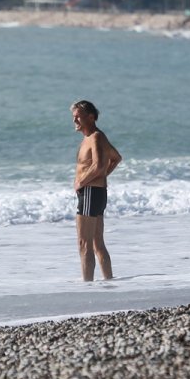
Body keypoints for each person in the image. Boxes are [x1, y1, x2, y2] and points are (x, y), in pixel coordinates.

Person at [71, 100, 122, 281]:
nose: (74, 120)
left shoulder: (96, 137)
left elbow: (99, 165)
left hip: (91, 192)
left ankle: (87, 289)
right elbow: (116, 158)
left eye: (78, 116)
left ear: (91, 117)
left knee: (84, 243)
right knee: (96, 243)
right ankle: (109, 283)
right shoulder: (92, 138)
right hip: (95, 192)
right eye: (73, 116)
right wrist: (101, 177)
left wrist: (81, 182)